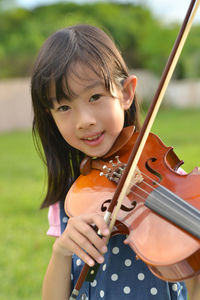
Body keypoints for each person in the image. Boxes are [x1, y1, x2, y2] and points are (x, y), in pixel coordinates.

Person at [31, 24, 190, 300]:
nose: (84, 121)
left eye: (95, 97)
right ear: (51, 116)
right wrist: (62, 251)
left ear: (126, 94)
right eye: (64, 107)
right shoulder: (69, 199)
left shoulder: (171, 183)